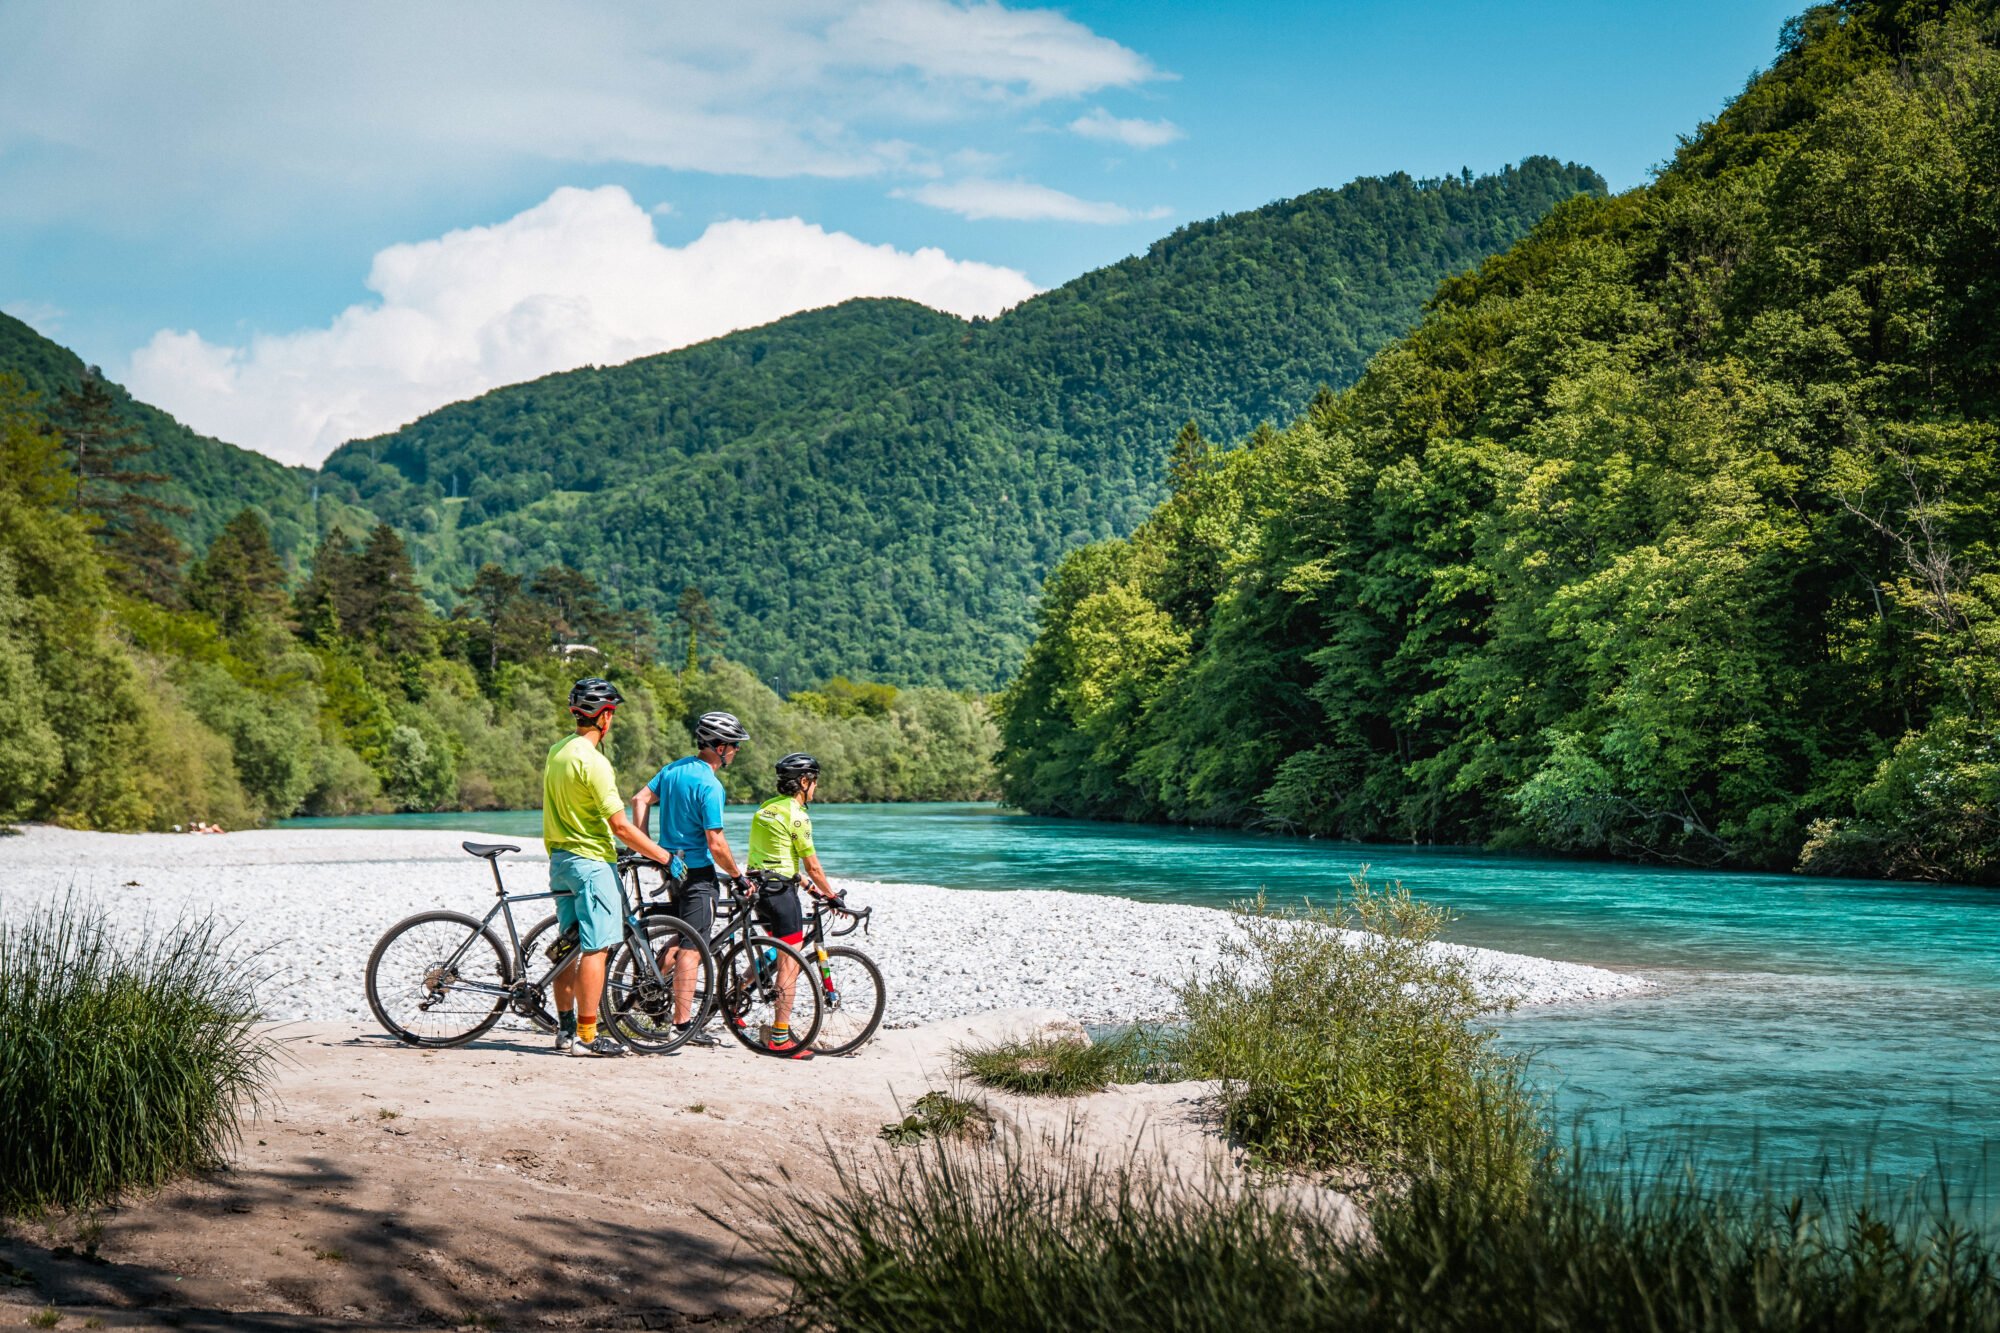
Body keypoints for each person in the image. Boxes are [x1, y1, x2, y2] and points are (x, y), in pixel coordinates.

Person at [545, 677, 678, 1057]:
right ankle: (587, 1038)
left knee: (568, 947)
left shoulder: (558, 751)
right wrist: (665, 857)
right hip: (590, 864)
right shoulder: (595, 762)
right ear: (604, 717)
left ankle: (565, 1030)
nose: (612, 720)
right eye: (612, 714)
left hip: (561, 860)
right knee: (596, 948)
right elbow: (620, 826)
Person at [630, 710, 753, 1046]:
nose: (737, 751)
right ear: (721, 746)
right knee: (693, 948)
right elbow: (716, 843)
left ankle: (647, 989)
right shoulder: (710, 786)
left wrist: (647, 846)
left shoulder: (674, 769)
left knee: (682, 933)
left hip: (669, 868)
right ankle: (683, 1025)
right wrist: (738, 875)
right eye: (735, 746)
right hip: (697, 874)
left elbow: (639, 799)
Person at [745, 751, 845, 1058]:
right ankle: (779, 1037)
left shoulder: (766, 808)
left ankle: (737, 994)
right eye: (814, 782)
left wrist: (807, 887)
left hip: (761, 888)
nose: (815, 788)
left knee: (779, 948)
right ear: (803, 782)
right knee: (791, 963)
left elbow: (776, 858)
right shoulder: (798, 816)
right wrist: (831, 896)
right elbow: (812, 865)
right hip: (780, 894)